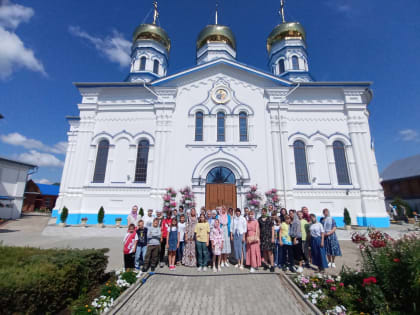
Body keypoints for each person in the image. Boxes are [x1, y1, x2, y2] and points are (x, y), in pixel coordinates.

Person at [258, 208, 275, 272]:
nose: (263, 212)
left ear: (266, 212)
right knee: (264, 251)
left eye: (264, 211)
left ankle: (272, 265)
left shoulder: (269, 219)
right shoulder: (259, 219)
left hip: (269, 237)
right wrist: (258, 238)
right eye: (262, 211)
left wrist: (273, 237)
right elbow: (259, 229)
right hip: (262, 238)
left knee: (270, 252)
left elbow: (272, 228)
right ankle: (266, 264)